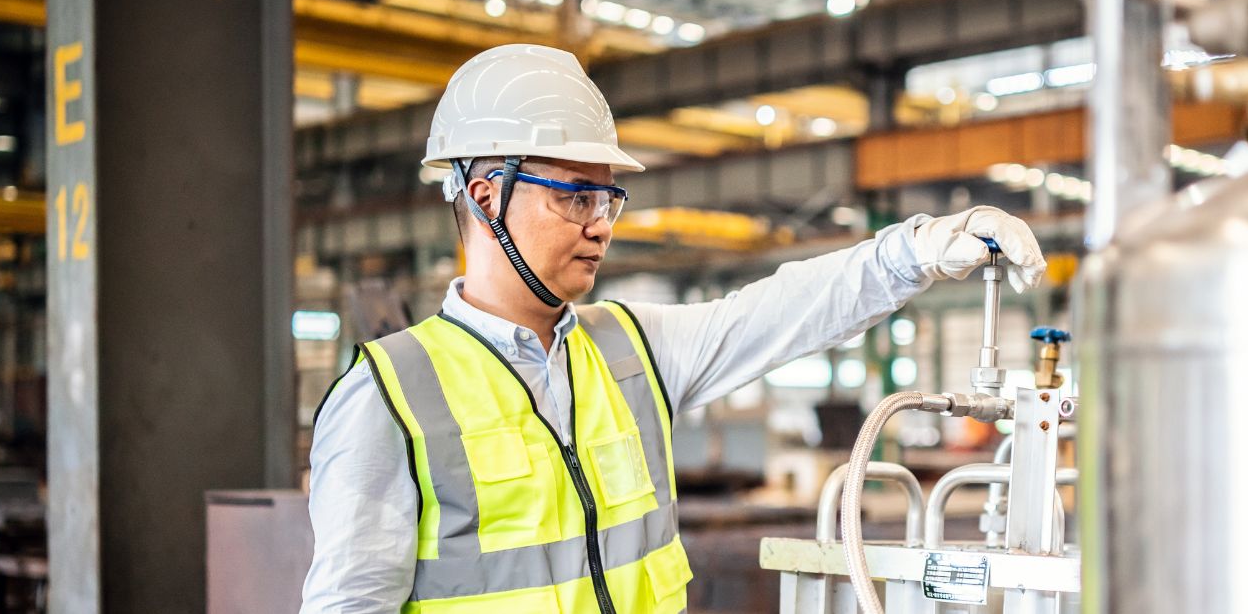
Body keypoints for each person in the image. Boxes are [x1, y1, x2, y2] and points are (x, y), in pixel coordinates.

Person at [301, 44, 1046, 613]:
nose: (600, 225)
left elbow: (779, 311)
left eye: (608, 200)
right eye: (575, 197)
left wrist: (914, 252)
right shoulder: (388, 398)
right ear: (487, 194)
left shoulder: (630, 350)